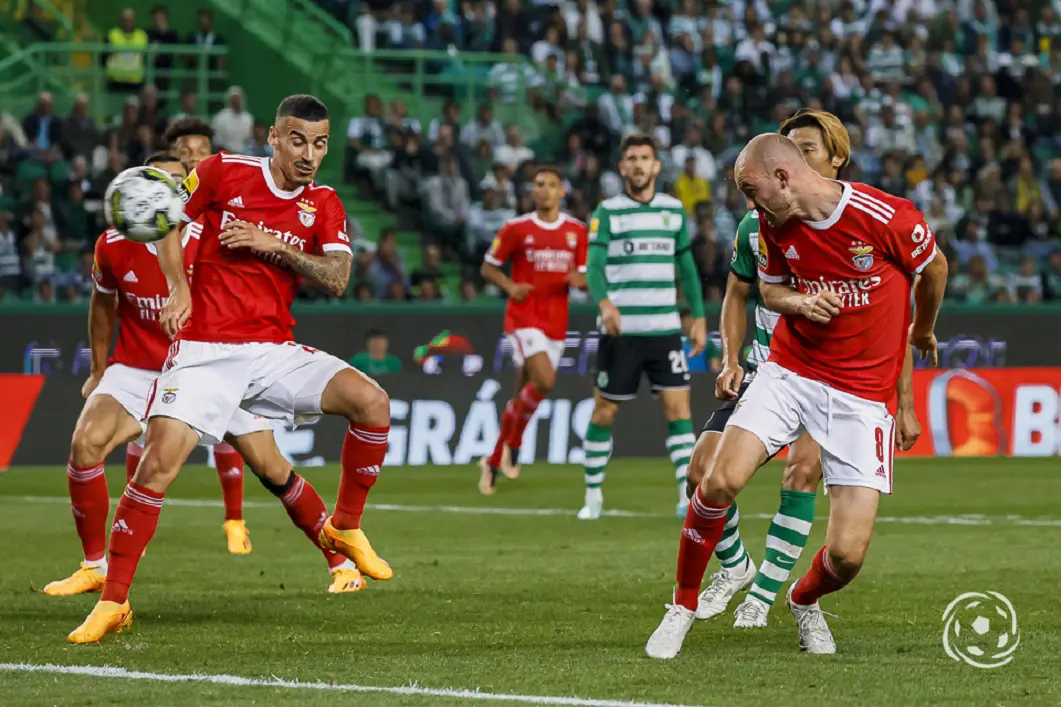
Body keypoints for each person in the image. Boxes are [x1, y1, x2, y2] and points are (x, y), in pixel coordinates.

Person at [68, 95, 391, 644]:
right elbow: (169, 222)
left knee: (373, 403)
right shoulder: (222, 172)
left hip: (271, 350)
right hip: (204, 352)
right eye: (296, 139)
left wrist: (273, 246)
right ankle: (114, 599)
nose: (308, 153)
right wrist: (178, 287)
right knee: (157, 467)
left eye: (319, 143)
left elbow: (336, 278)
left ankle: (346, 527)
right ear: (271, 136)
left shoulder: (325, 203)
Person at [645, 133, 947, 659]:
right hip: (790, 372)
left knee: (847, 557)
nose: (748, 203)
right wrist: (801, 303)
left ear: (782, 178)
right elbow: (770, 289)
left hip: (861, 397)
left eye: (750, 189)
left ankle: (803, 599)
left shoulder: (885, 216)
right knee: (718, 480)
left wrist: (922, 330)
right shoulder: (770, 222)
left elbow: (935, 267)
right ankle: (683, 605)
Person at [689, 110, 919, 630]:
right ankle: (735, 569)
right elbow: (739, 293)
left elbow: (892, 317)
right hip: (767, 370)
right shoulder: (761, 222)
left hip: (828, 375)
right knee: (701, 473)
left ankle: (766, 597)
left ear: (834, 159)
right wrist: (730, 359)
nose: (794, 159)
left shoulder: (865, 224)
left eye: (808, 148)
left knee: (803, 471)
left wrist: (902, 401)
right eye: (788, 147)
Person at [580, 134, 706, 519]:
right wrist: (604, 304)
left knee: (678, 410)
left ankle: (686, 495)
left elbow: (686, 268)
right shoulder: (608, 211)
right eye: (631, 158)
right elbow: (595, 267)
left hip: (665, 329)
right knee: (604, 413)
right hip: (622, 332)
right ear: (622, 167)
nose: (637, 164)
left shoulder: (672, 211)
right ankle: (593, 495)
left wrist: (698, 316)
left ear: (655, 166)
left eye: (645, 158)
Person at [478, 166, 588, 494]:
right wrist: (510, 287)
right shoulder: (516, 228)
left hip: (556, 322)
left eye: (552, 185)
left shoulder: (576, 231)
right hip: (524, 318)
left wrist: (580, 281)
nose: (545, 190)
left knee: (525, 393)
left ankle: (496, 456)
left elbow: (583, 275)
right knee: (545, 381)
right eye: (539, 185)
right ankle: (514, 442)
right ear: (532, 191)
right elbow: (488, 266)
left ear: (561, 192)